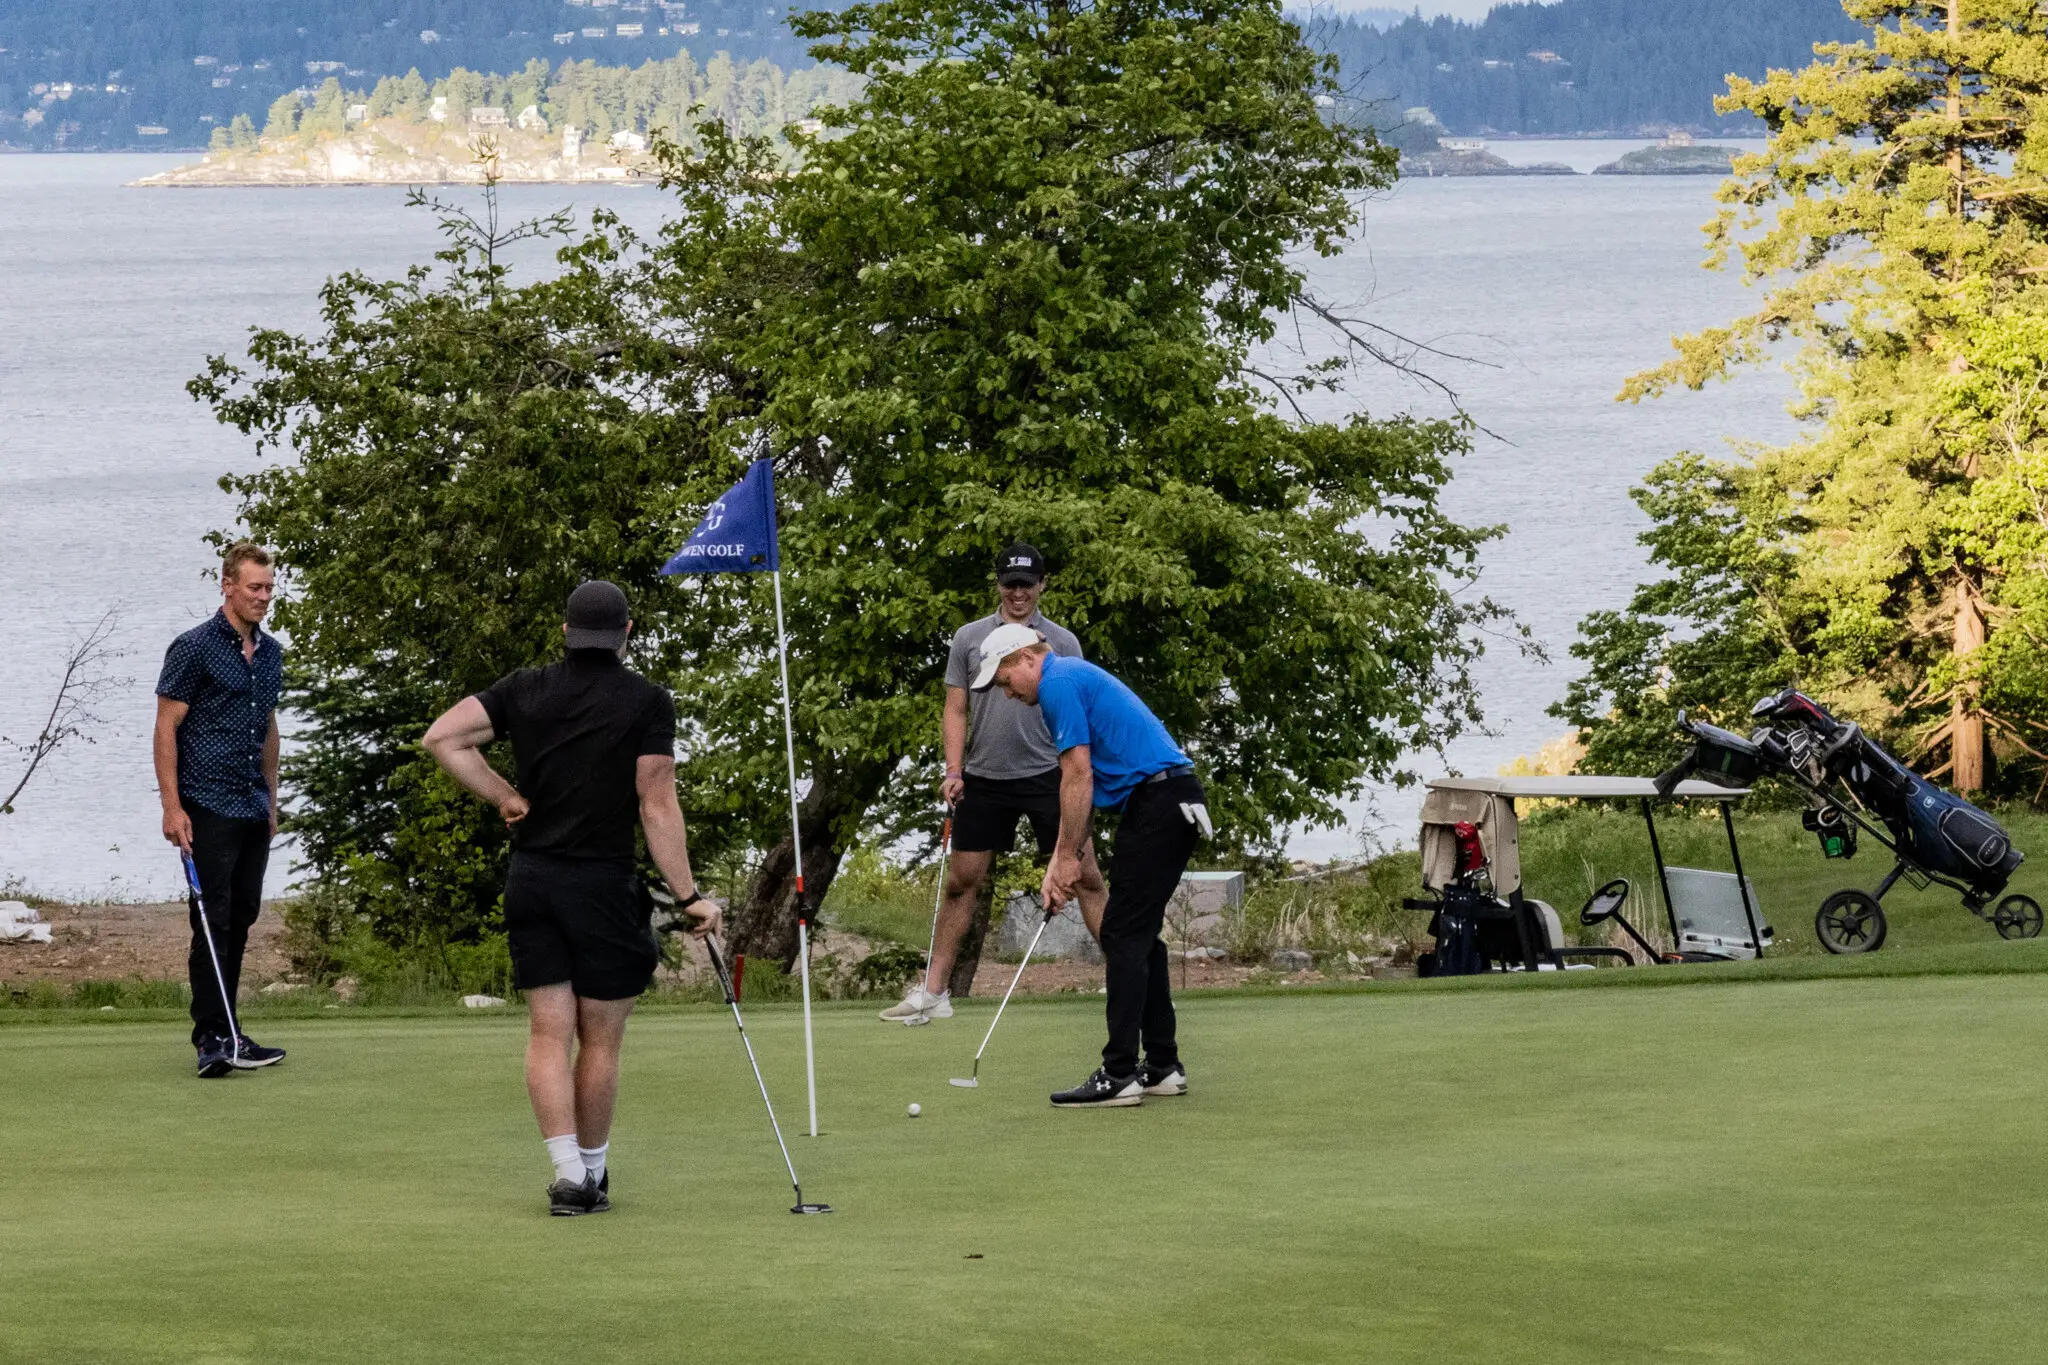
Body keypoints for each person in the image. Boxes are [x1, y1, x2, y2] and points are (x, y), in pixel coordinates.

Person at [423, 580, 718, 1217]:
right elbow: (656, 801)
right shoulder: (646, 702)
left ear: (566, 632)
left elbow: (443, 738)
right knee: (601, 1042)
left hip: (533, 880)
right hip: (603, 885)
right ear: (627, 633)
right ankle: (592, 1171)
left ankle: (567, 1177)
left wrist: (506, 795)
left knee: (548, 1033)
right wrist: (689, 894)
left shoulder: (525, 688)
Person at [878, 543, 1109, 1026]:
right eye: (1010, 583)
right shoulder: (968, 638)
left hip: (1051, 774)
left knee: (1086, 876)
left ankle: (1128, 977)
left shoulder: (1062, 642)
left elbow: (1082, 716)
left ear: (1042, 584)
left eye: (1027, 583)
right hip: (984, 776)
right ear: (998, 584)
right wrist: (953, 769)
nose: (1018, 592)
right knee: (962, 884)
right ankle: (934, 993)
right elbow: (955, 707)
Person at [980, 627, 1211, 1108]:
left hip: (1160, 802)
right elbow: (1080, 790)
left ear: (1026, 658)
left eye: (1004, 679)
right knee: (1140, 936)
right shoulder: (1069, 677)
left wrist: (1067, 855)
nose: (1006, 691)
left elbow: (1078, 774)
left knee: (1124, 936)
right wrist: (1060, 860)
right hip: (1168, 801)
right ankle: (1163, 1066)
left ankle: (1119, 1073)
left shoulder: (1056, 684)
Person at [155, 541, 289, 1079]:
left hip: (252, 802)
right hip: (205, 802)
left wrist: (273, 799)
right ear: (228, 586)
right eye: (254, 588)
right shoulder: (192, 648)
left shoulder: (272, 653)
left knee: (241, 917)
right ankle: (211, 1037)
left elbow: (268, 729)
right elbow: (167, 726)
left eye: (269, 589)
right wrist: (172, 806)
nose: (263, 597)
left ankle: (230, 1029)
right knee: (211, 921)